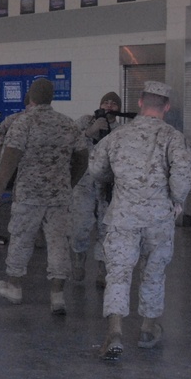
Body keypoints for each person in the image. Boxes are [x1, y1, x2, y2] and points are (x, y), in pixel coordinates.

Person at [88, 81, 191, 361]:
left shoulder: (118, 135)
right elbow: (182, 173)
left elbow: (97, 170)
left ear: (139, 103)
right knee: (154, 271)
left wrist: (118, 181)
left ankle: (115, 332)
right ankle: (147, 329)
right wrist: (177, 200)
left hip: (123, 216)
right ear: (167, 107)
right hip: (159, 218)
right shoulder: (173, 137)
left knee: (119, 272)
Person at [0, 78, 87, 315]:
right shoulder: (69, 125)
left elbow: (9, 159)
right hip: (60, 197)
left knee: (21, 239)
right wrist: (68, 183)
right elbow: (83, 159)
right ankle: (57, 295)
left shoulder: (24, 122)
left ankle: (14, 287)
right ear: (52, 97)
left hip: (29, 195)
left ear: (31, 97)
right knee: (58, 243)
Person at [71, 92, 124, 285]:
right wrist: (89, 132)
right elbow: (68, 142)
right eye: (106, 102)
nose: (109, 106)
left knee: (106, 227)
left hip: (107, 186)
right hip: (83, 184)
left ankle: (102, 268)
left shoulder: (120, 130)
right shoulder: (85, 121)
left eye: (114, 103)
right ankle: (79, 259)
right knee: (80, 226)